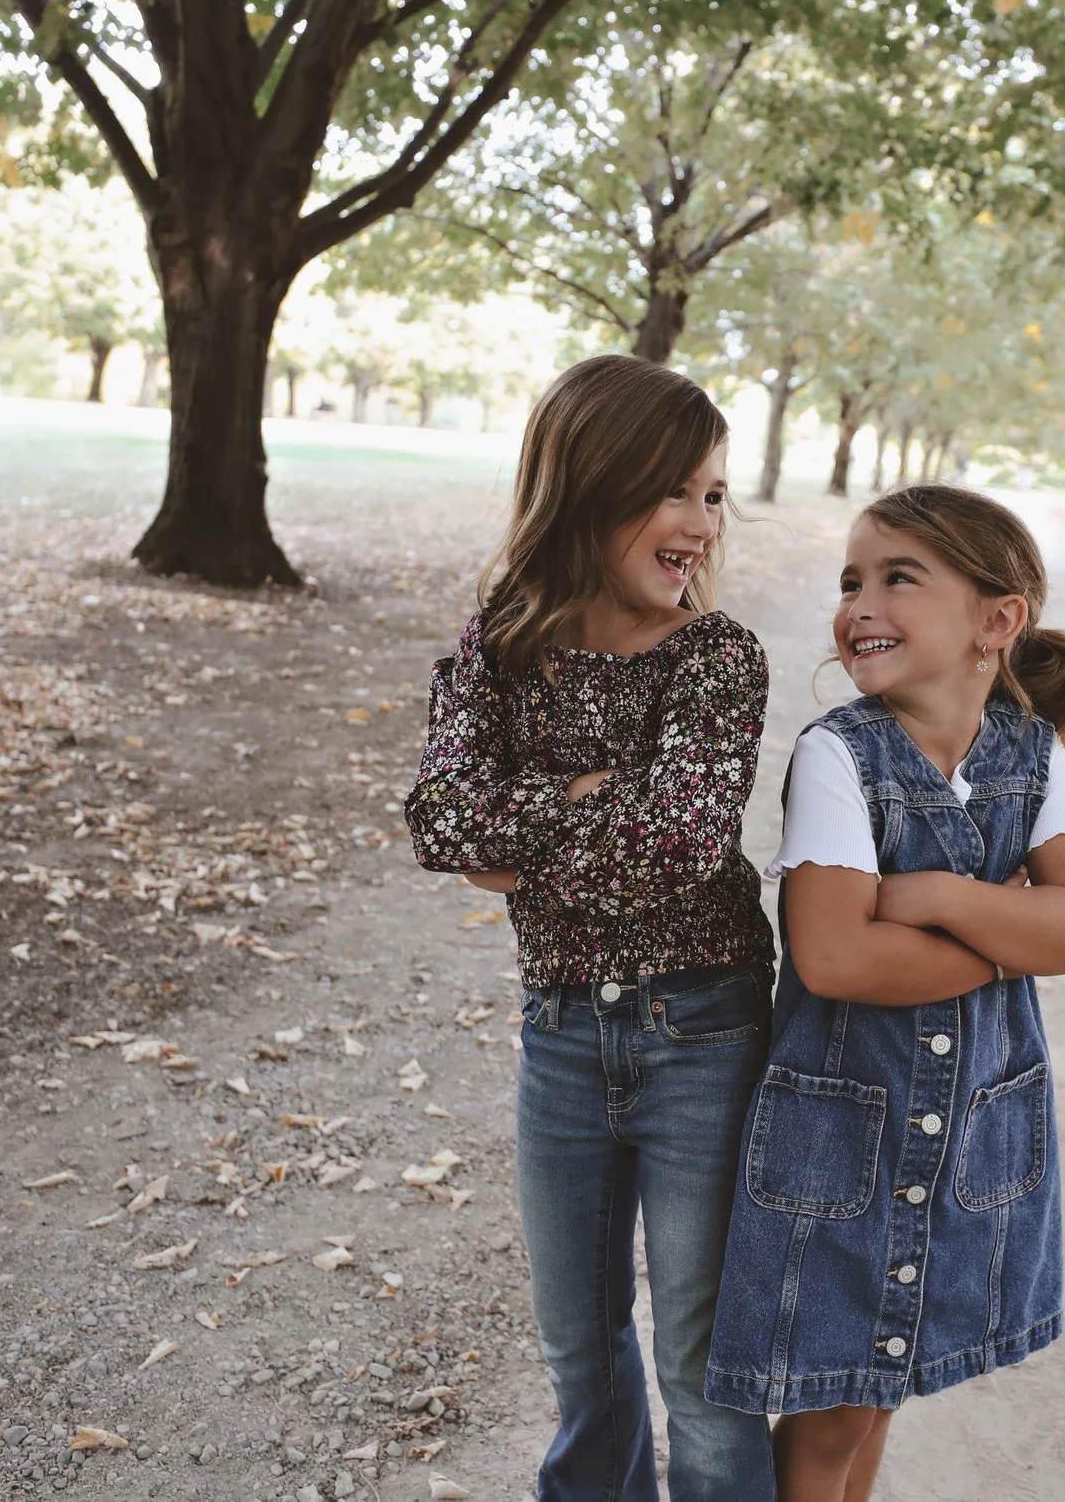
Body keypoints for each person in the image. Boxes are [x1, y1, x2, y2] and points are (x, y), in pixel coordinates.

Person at [405, 355, 776, 1502]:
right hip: (560, 1034)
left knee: (702, 1367)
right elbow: (439, 821)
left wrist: (525, 834)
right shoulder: (501, 646)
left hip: (701, 1030)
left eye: (714, 494)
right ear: (589, 482)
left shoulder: (716, 658)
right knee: (579, 1346)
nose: (700, 523)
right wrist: (591, 799)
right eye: (676, 490)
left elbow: (672, 846)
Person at [704, 483, 1065, 1502]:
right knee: (832, 1393)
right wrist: (1006, 929)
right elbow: (838, 957)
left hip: (970, 1120)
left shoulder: (1033, 754)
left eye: (897, 578)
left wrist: (932, 893)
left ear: (995, 620)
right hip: (841, 1132)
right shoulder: (838, 753)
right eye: (850, 582)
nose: (860, 603)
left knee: (882, 1381)